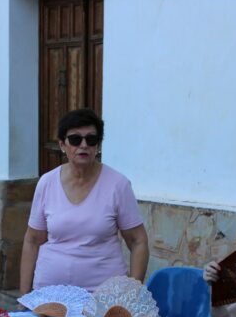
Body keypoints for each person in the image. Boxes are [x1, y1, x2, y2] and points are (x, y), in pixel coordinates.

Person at [20, 108, 150, 293]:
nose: (83, 145)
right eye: (75, 139)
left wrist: (132, 293)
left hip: (103, 297)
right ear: (62, 145)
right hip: (49, 295)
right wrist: (24, 297)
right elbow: (32, 240)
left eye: (91, 139)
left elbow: (138, 241)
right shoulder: (47, 183)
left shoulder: (118, 185)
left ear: (98, 145)